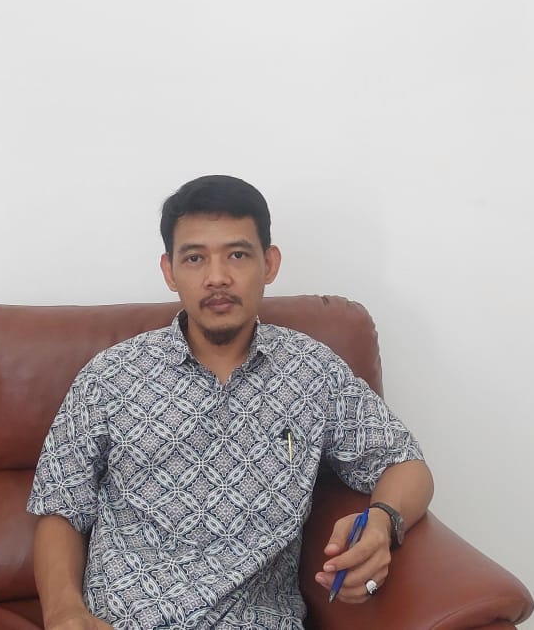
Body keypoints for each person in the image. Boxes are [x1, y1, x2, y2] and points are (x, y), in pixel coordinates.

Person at [27, 175, 434, 630]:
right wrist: (64, 612)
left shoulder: (313, 372)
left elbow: (406, 464)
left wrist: (382, 522)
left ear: (269, 263)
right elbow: (59, 507)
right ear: (169, 270)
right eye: (195, 258)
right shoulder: (110, 375)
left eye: (237, 255)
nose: (217, 277)